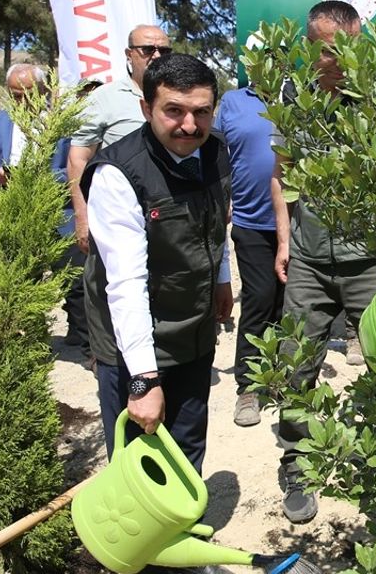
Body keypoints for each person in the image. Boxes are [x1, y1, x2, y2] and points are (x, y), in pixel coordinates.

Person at [81, 53, 232, 474]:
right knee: (140, 459)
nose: (189, 125)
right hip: (132, 340)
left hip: (193, 326)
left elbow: (219, 220)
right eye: (174, 111)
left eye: (201, 112)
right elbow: (125, 282)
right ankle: (138, 541)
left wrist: (222, 279)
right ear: (146, 109)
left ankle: (182, 530)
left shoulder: (215, 151)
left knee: (187, 443)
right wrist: (144, 381)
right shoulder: (118, 173)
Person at [271, 0, 376, 524]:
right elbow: (282, 173)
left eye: (343, 46)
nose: (333, 58)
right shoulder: (294, 99)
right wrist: (283, 240)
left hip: (370, 260)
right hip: (311, 260)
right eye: (322, 47)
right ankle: (297, 464)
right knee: (295, 365)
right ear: (310, 46)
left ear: (359, 39)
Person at [0, 64, 87, 348]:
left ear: (44, 91)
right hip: (14, 215)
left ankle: (85, 341)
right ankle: (30, 341)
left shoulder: (64, 122)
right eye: (16, 95)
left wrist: (42, 178)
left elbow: (78, 166)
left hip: (60, 213)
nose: (23, 101)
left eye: (29, 94)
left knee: (76, 281)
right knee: (23, 281)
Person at [68, 25, 172, 256]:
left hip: (171, 219)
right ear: (129, 54)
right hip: (117, 220)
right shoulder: (103, 98)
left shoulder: (179, 97)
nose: (156, 56)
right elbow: (78, 158)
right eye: (148, 49)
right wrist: (82, 216)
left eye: (164, 51)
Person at [215, 79, 282, 427]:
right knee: (259, 298)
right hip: (252, 221)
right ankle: (249, 388)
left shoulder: (298, 97)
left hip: (295, 223)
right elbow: (212, 153)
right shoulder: (232, 101)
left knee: (291, 306)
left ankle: (284, 380)